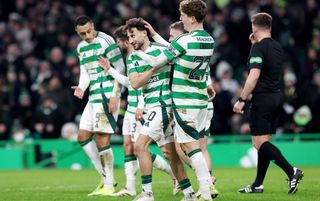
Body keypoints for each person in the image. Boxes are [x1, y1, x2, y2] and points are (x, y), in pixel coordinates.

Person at [136, 1, 216, 200]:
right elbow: (177, 52)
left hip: (184, 100)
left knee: (191, 148)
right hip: (200, 100)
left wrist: (136, 52)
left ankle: (205, 192)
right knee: (190, 147)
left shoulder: (184, 41)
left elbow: (157, 61)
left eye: (182, 15)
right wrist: (155, 35)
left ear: (192, 18)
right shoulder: (209, 40)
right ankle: (201, 190)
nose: (180, 19)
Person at [98, 25, 179, 197]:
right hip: (133, 108)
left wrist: (140, 105)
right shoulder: (130, 56)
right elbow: (131, 82)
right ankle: (130, 186)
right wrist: (110, 70)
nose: (119, 45)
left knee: (157, 149)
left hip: (144, 107)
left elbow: (142, 83)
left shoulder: (141, 53)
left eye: (120, 41)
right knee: (131, 146)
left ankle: (180, 178)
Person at [125, 17, 196, 201]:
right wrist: (155, 67)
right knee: (170, 155)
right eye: (128, 37)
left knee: (140, 146)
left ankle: (147, 193)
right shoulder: (132, 56)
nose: (131, 40)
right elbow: (134, 83)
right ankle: (189, 194)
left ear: (144, 32)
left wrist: (149, 68)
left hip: (164, 104)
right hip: (151, 106)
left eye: (132, 35)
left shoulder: (163, 50)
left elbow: (181, 63)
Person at [233, 12, 304, 194]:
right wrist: (254, 45)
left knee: (258, 143)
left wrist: (242, 99)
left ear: (254, 27)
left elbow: (254, 75)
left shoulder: (258, 48)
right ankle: (258, 184)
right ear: (270, 27)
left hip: (263, 98)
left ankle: (292, 171)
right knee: (264, 141)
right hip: (276, 97)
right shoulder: (277, 46)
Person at [71, 15, 125, 196]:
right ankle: (105, 179)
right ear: (77, 33)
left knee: (102, 139)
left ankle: (109, 185)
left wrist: (115, 95)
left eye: (88, 31)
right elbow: (85, 72)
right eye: (82, 34)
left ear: (93, 26)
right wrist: (81, 88)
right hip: (93, 96)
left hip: (107, 94)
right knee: (82, 137)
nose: (86, 36)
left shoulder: (106, 40)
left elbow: (120, 67)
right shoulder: (81, 47)